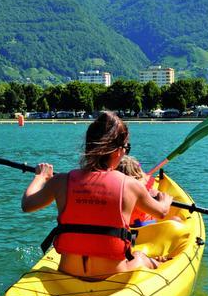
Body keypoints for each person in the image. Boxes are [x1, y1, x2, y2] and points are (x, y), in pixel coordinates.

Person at [22, 111, 171, 277]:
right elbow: (162, 212)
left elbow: (27, 204)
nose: (124, 154)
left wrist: (40, 177)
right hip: (112, 274)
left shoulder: (61, 181)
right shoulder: (131, 185)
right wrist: (165, 199)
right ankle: (157, 261)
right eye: (126, 148)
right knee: (140, 256)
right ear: (117, 151)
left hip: (69, 272)